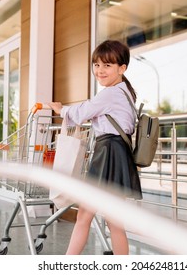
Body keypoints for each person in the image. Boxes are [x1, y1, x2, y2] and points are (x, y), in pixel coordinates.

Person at [49, 40, 142, 255]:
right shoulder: (125, 91)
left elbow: (83, 112)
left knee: (84, 216)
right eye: (97, 65)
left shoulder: (111, 93)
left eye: (107, 65)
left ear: (122, 68)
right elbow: (90, 109)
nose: (100, 70)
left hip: (108, 154)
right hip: (117, 154)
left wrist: (61, 109)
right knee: (114, 221)